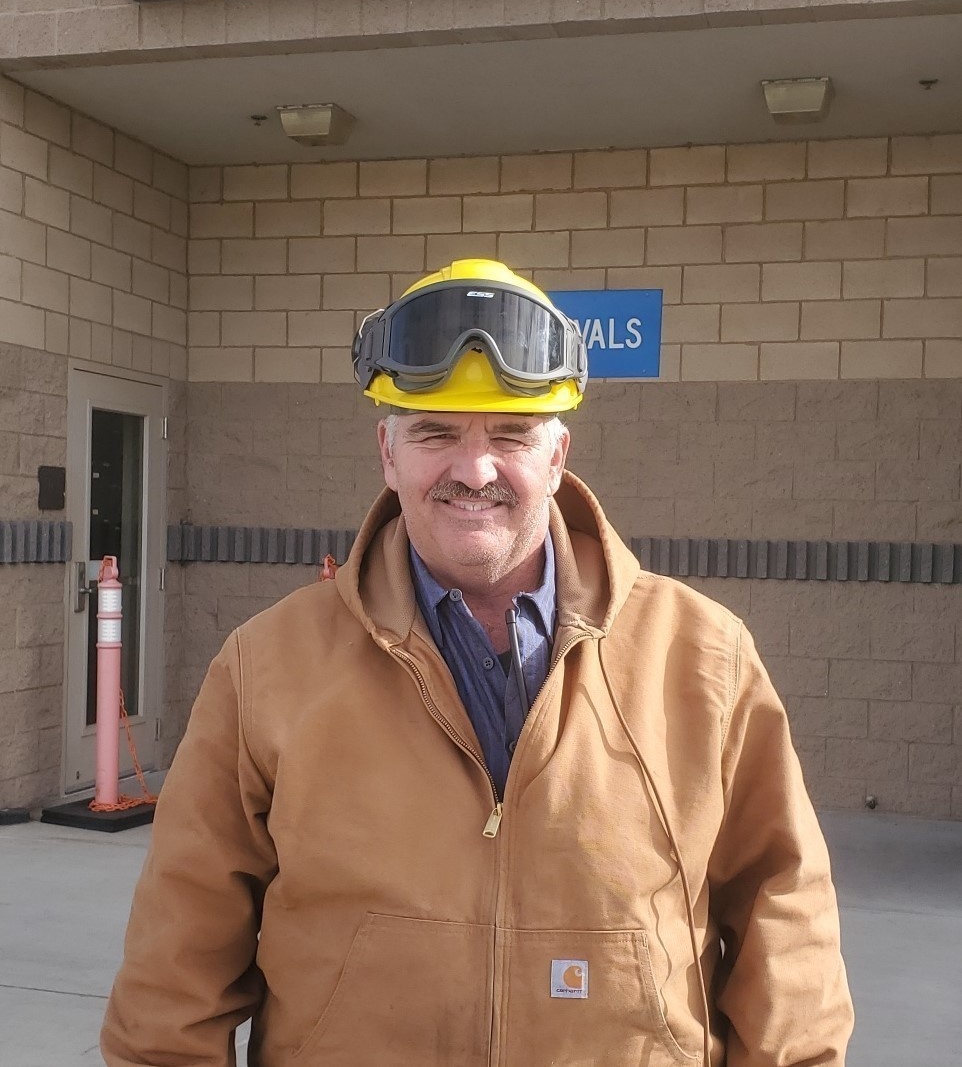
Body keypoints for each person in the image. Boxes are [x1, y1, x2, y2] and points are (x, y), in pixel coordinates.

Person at [102, 259, 853, 1067]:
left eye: (509, 434)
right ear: (387, 453)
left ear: (558, 453)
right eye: (434, 433)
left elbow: (790, 935)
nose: (475, 469)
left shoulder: (704, 661)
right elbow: (172, 983)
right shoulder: (265, 671)